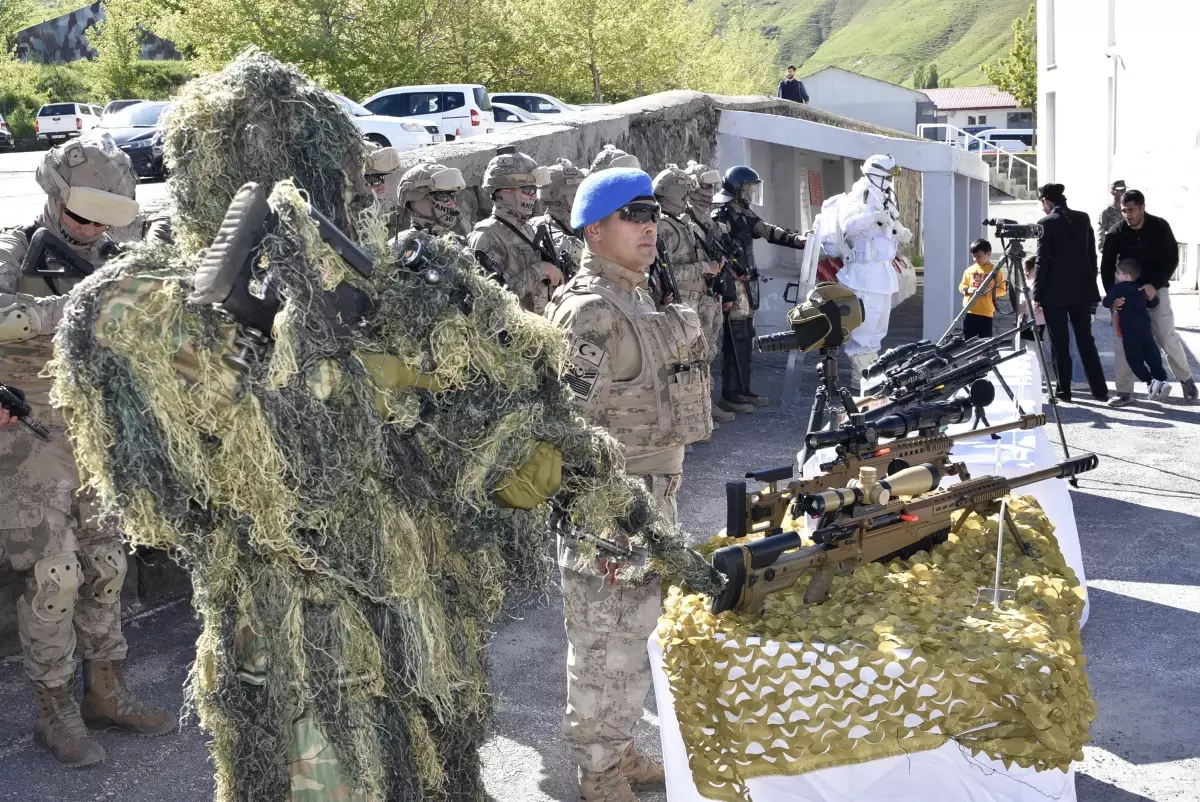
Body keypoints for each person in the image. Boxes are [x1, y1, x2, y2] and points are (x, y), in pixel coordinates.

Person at [0, 135, 177, 767]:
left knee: (107, 568)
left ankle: (107, 691)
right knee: (55, 578)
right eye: (83, 216)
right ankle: (54, 712)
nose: (94, 230)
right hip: (28, 438)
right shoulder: (14, 248)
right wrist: (76, 305)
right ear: (54, 195)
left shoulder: (114, 255)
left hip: (96, 431)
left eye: (106, 219)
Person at [546, 168, 710, 802]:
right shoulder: (591, 312)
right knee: (602, 646)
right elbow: (563, 426)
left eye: (652, 213)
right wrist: (608, 515)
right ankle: (599, 774)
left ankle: (619, 751)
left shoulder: (636, 299)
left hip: (650, 499)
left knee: (635, 639)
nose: (650, 226)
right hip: (609, 511)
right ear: (594, 231)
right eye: (632, 215)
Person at [712, 165, 806, 413]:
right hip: (733, 284)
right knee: (735, 339)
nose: (753, 192)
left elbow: (767, 230)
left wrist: (798, 240)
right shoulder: (721, 214)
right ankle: (731, 394)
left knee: (746, 337)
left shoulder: (743, 212)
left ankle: (743, 390)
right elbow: (718, 253)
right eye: (750, 188)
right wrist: (728, 285)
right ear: (738, 188)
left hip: (748, 283)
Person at [1100, 188, 1197, 405]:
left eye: (1131, 210)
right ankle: (1124, 391)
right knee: (1123, 342)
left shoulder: (1159, 226)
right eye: (1124, 211)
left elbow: (1172, 258)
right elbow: (1106, 265)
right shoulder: (1116, 232)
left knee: (1167, 337)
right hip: (1126, 294)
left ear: (1142, 207)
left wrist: (1155, 284)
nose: (1127, 215)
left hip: (1156, 289)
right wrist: (1113, 296)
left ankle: (1186, 380)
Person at [827, 154, 912, 384]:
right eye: (887, 176)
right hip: (863, 273)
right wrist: (873, 217)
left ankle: (872, 368)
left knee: (878, 326)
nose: (889, 181)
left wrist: (900, 230)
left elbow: (891, 227)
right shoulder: (855, 200)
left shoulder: (883, 201)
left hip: (881, 273)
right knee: (865, 325)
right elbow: (848, 225)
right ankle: (861, 373)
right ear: (875, 175)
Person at [653, 164, 724, 431]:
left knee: (697, 361)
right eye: (684, 194)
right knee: (679, 365)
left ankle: (699, 416)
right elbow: (666, 271)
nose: (687, 199)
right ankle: (684, 425)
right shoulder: (664, 227)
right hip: (677, 307)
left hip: (693, 303)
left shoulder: (678, 222)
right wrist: (704, 268)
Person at [1032, 182, 1109, 403]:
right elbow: (1092, 256)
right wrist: (1092, 286)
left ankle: (1064, 390)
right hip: (1081, 290)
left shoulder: (1046, 223)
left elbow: (1041, 261)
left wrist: (1036, 294)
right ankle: (1100, 390)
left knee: (1060, 342)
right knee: (1085, 340)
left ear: (1046, 201)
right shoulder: (1083, 218)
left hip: (1054, 293)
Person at [469, 147, 562, 312]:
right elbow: (488, 301)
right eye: (528, 190)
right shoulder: (486, 236)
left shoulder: (529, 229)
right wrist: (539, 271)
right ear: (505, 191)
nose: (534, 197)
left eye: (535, 190)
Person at [682, 160, 736, 424]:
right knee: (691, 356)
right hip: (691, 297)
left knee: (709, 353)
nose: (708, 192)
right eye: (703, 186)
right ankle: (693, 414)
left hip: (711, 296)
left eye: (710, 187)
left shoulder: (709, 220)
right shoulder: (682, 220)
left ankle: (706, 405)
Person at [1102, 259, 1171, 399]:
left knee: (1133, 359)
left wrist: (1114, 301)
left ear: (1126, 276)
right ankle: (1162, 380)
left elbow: (1105, 302)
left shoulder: (1118, 288)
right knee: (1152, 356)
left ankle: (1150, 381)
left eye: (1118, 273)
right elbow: (1154, 303)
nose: (1116, 275)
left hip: (1130, 331)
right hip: (1145, 329)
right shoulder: (1141, 288)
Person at [531, 157, 586, 275]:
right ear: (558, 197)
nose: (582, 199)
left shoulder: (583, 224)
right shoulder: (541, 228)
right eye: (575, 194)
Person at [394, 158, 467, 236]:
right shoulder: (405, 242)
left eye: (452, 195)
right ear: (414, 200)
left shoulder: (451, 240)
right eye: (443, 197)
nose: (452, 204)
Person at [958, 238, 1007, 340]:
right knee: (967, 340)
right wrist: (968, 290)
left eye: (978, 256)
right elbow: (962, 285)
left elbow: (1002, 290)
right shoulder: (969, 270)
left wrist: (990, 291)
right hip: (969, 311)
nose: (975, 259)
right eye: (973, 256)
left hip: (986, 313)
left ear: (988, 254)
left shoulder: (996, 271)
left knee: (985, 342)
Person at [1019, 255, 1045, 342]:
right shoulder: (1026, 284)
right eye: (1025, 270)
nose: (1026, 273)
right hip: (1026, 321)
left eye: (1029, 270)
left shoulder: (1041, 286)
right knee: (1028, 345)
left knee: (1037, 344)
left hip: (1038, 322)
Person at [1097, 179, 1126, 252]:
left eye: (1124, 189)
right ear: (1113, 192)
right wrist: (1104, 250)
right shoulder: (1106, 212)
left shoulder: (1129, 210)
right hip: (1113, 250)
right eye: (1120, 190)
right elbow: (1101, 232)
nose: (1123, 191)